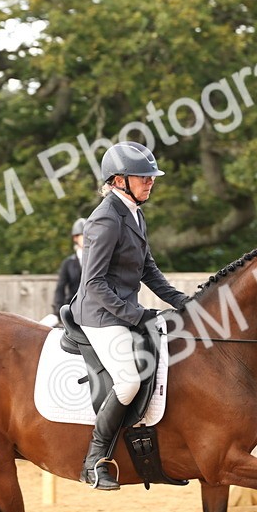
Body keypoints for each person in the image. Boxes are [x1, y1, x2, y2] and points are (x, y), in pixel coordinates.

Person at [70, 142, 190, 489]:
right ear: (119, 180)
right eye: (143, 177)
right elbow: (93, 282)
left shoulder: (134, 213)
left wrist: (183, 301)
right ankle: (94, 461)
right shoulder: (105, 218)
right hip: (99, 315)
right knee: (129, 380)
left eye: (152, 177)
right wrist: (136, 315)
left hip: (121, 310)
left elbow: (148, 270)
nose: (150, 182)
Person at [41, 219, 85, 327]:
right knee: (42, 326)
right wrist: (59, 310)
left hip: (91, 309)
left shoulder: (98, 260)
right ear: (75, 238)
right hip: (70, 307)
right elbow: (60, 288)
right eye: (83, 235)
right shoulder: (68, 263)